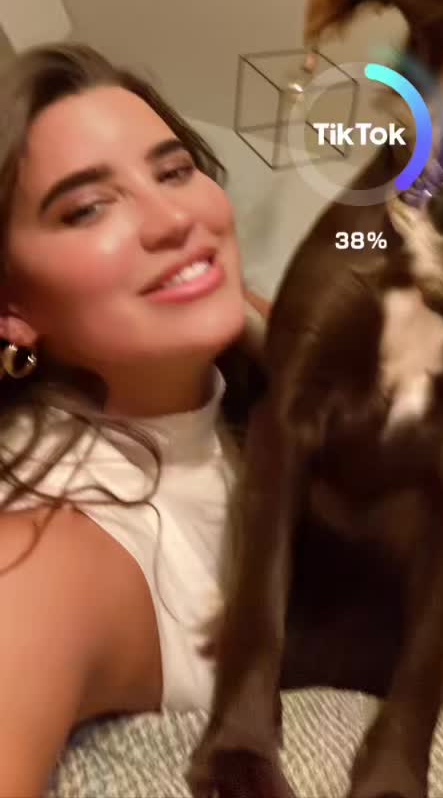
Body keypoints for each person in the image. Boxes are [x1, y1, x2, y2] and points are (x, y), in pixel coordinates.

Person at [0, 41, 270, 798]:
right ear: (12, 308)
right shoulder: (48, 558)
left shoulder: (229, 395)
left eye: (174, 171)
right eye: (87, 208)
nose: (173, 219)